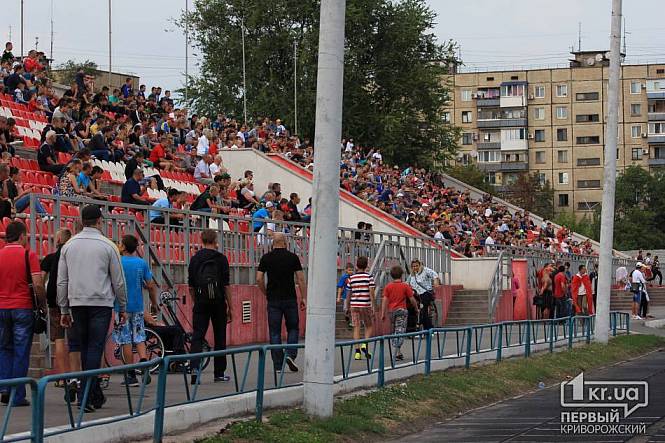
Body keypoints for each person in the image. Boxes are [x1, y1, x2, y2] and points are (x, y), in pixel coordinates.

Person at [57, 204, 128, 411]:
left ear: (82, 221)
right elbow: (118, 281)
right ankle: (86, 396)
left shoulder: (69, 246)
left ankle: (92, 394)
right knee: (95, 347)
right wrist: (122, 306)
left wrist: (63, 309)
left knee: (83, 346)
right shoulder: (108, 246)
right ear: (99, 221)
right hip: (101, 302)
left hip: (77, 302)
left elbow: (62, 281)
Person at [0, 221, 46, 407]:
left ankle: (4, 388)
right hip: (22, 307)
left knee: (4, 348)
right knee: (21, 351)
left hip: (2, 307)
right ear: (21, 236)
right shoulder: (29, 255)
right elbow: (38, 284)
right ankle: (17, 394)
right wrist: (41, 304)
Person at [257, 232, 307, 372]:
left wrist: (265, 292)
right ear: (285, 242)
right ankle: (290, 354)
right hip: (290, 298)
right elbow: (300, 278)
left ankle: (278, 365)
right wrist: (303, 297)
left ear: (273, 243)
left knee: (275, 332)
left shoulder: (266, 258)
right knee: (293, 328)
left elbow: (259, 279)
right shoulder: (292, 257)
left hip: (273, 299)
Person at [187, 229, 233, 384]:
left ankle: (194, 369)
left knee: (198, 336)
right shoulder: (221, 259)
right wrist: (231, 307)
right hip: (218, 302)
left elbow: (191, 286)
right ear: (215, 240)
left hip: (201, 302)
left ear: (202, 240)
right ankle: (219, 373)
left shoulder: (195, 259)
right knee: (220, 336)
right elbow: (226, 285)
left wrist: (196, 301)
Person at [114, 235, 158, 387]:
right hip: (138, 306)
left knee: (125, 340)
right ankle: (144, 363)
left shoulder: (118, 262)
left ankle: (130, 374)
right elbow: (150, 285)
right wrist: (154, 303)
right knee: (139, 337)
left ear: (124, 247)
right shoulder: (141, 263)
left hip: (121, 307)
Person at [40, 229, 72, 378]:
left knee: (59, 339)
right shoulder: (72, 256)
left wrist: (42, 298)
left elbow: (41, 279)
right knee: (74, 341)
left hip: (54, 301)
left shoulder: (50, 258)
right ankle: (76, 374)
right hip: (72, 300)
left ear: (58, 240)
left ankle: (63, 376)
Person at [380, 265, 417, 361]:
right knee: (400, 331)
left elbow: (384, 300)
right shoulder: (405, 286)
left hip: (391, 311)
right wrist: (416, 308)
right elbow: (412, 299)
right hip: (401, 311)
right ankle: (396, 352)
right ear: (402, 275)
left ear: (391, 275)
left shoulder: (388, 286)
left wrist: (383, 313)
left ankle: (398, 352)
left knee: (395, 330)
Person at [346, 256, 376, 360]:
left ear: (357, 265)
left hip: (354, 305)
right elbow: (371, 292)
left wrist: (347, 307)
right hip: (365, 305)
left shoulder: (351, 278)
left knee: (356, 327)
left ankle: (357, 353)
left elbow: (348, 293)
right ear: (366, 265)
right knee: (369, 326)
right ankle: (364, 344)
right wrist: (374, 306)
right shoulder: (369, 277)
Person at [407, 259, 440, 330]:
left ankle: (428, 328)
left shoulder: (425, 270)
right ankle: (413, 327)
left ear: (420, 265)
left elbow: (434, 275)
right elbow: (407, 283)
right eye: (413, 266)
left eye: (416, 266)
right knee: (412, 309)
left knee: (423, 311)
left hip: (425, 293)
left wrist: (436, 282)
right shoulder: (412, 275)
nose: (415, 268)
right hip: (416, 294)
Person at [336, 263, 354, 328]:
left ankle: (351, 322)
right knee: (346, 309)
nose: (351, 272)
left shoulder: (354, 277)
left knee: (352, 309)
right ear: (346, 270)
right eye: (349, 270)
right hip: (345, 296)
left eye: (352, 270)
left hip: (353, 296)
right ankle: (347, 318)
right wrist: (338, 297)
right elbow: (340, 287)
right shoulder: (344, 277)